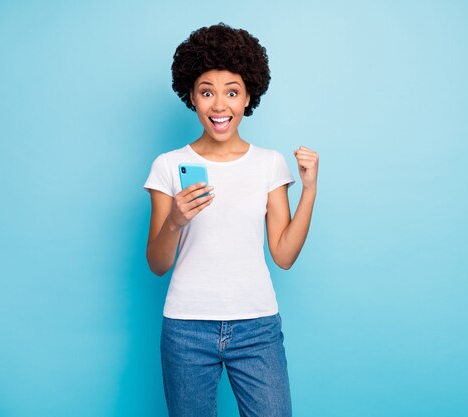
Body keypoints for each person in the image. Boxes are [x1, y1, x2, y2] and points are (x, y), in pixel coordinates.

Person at [143, 22, 318, 417]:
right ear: (191, 95)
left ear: (248, 96)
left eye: (232, 92)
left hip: (257, 329)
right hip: (187, 329)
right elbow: (156, 264)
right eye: (207, 92)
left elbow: (284, 255)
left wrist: (309, 190)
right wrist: (175, 221)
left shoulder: (270, 164)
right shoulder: (169, 166)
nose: (219, 106)